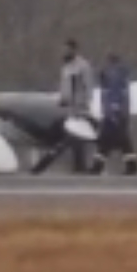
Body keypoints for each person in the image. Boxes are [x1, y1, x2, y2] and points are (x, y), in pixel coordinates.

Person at [31, 38, 96, 174]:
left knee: (68, 139)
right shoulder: (66, 67)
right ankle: (80, 167)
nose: (64, 51)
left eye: (67, 49)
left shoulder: (82, 66)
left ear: (74, 50)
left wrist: (84, 105)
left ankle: (41, 166)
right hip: (67, 108)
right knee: (73, 139)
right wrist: (62, 99)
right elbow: (65, 86)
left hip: (78, 108)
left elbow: (88, 86)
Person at [90, 52, 137, 175]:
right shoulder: (122, 74)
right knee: (120, 140)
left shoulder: (110, 75)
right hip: (120, 113)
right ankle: (131, 165)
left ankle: (99, 166)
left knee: (108, 139)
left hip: (113, 113)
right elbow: (123, 95)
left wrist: (111, 111)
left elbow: (111, 95)